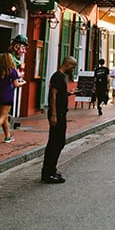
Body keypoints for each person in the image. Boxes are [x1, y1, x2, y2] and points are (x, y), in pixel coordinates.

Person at [41, 56, 77, 184]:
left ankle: (51, 170)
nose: (73, 70)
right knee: (55, 143)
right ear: (67, 65)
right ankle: (48, 173)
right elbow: (53, 95)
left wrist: (69, 93)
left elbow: (59, 94)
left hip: (61, 114)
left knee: (59, 142)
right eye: (73, 67)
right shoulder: (57, 77)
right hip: (58, 114)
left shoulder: (61, 77)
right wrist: (54, 114)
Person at [0, 53, 25, 146]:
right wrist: (22, 83)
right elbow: (16, 84)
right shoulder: (12, 71)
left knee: (4, 116)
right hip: (7, 95)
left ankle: (7, 136)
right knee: (2, 116)